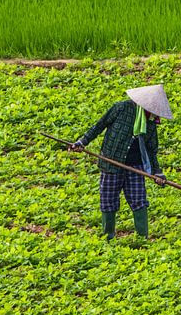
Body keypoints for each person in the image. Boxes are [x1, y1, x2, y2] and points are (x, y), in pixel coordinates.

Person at [70, 85, 173, 239]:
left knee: (139, 200)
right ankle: (108, 236)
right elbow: (99, 126)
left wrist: (157, 172)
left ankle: (142, 238)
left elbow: (151, 149)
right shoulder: (121, 108)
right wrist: (82, 142)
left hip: (135, 166)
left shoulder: (150, 122)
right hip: (111, 161)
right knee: (108, 199)